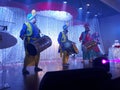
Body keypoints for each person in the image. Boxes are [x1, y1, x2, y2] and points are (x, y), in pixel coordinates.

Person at [20, 10, 42, 75]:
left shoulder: (36, 26)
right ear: (32, 18)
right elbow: (22, 33)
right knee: (28, 55)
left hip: (36, 42)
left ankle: (36, 67)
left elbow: (39, 34)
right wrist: (24, 37)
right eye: (35, 18)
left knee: (37, 54)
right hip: (29, 42)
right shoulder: (26, 24)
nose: (36, 19)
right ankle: (24, 69)